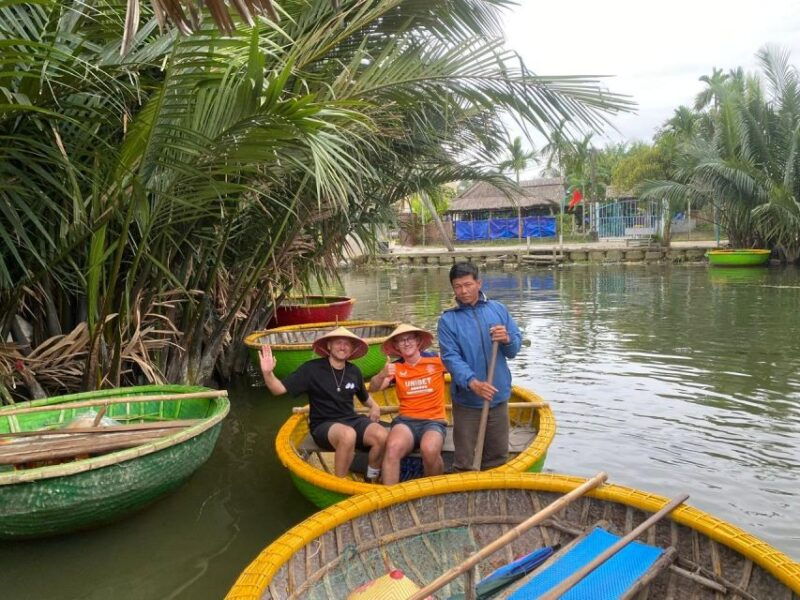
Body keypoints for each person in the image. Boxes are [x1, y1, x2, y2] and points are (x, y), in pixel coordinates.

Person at [259, 326, 388, 481]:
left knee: (382, 435)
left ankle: (371, 477)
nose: (343, 346)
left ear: (352, 349)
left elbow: (365, 398)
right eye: (338, 342)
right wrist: (268, 373)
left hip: (351, 419)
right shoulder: (311, 369)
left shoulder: (354, 371)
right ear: (328, 346)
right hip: (323, 425)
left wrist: (374, 406)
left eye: (347, 344)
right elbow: (278, 389)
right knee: (348, 435)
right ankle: (339, 482)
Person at [437, 262, 522, 471]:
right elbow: (451, 358)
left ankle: (493, 498)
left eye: (468, 284)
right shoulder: (448, 320)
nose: (464, 291)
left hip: (498, 395)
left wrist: (507, 339)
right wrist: (472, 383)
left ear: (478, 283)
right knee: (465, 460)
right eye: (458, 286)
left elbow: (513, 349)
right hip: (468, 401)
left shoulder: (498, 310)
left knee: (497, 458)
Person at [369, 324, 448, 485]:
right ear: (396, 346)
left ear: (418, 341)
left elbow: (461, 369)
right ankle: (390, 498)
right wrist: (382, 374)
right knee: (392, 448)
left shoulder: (437, 360)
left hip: (434, 421)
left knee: (430, 449)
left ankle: (433, 492)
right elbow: (374, 388)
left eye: (409, 338)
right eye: (401, 341)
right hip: (406, 422)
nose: (406, 343)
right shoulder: (396, 367)